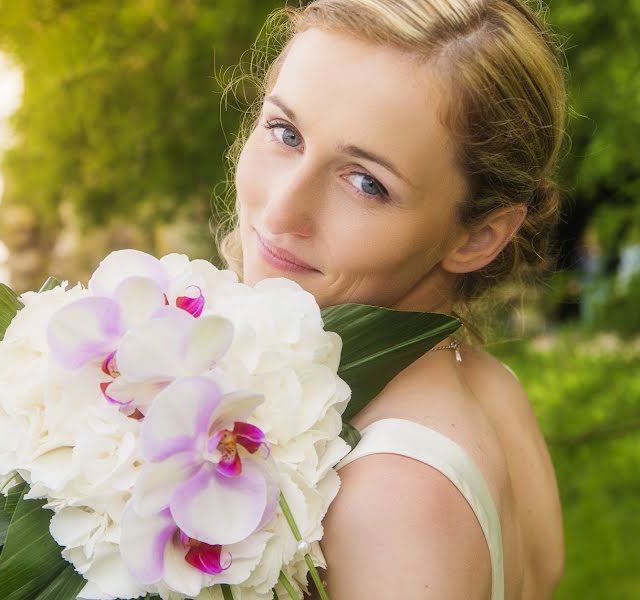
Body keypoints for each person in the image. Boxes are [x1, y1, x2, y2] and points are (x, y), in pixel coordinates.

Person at [217, 0, 566, 597]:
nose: (280, 211)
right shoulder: (493, 386)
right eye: (286, 133)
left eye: (366, 183)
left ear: (478, 236)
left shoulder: (390, 489)